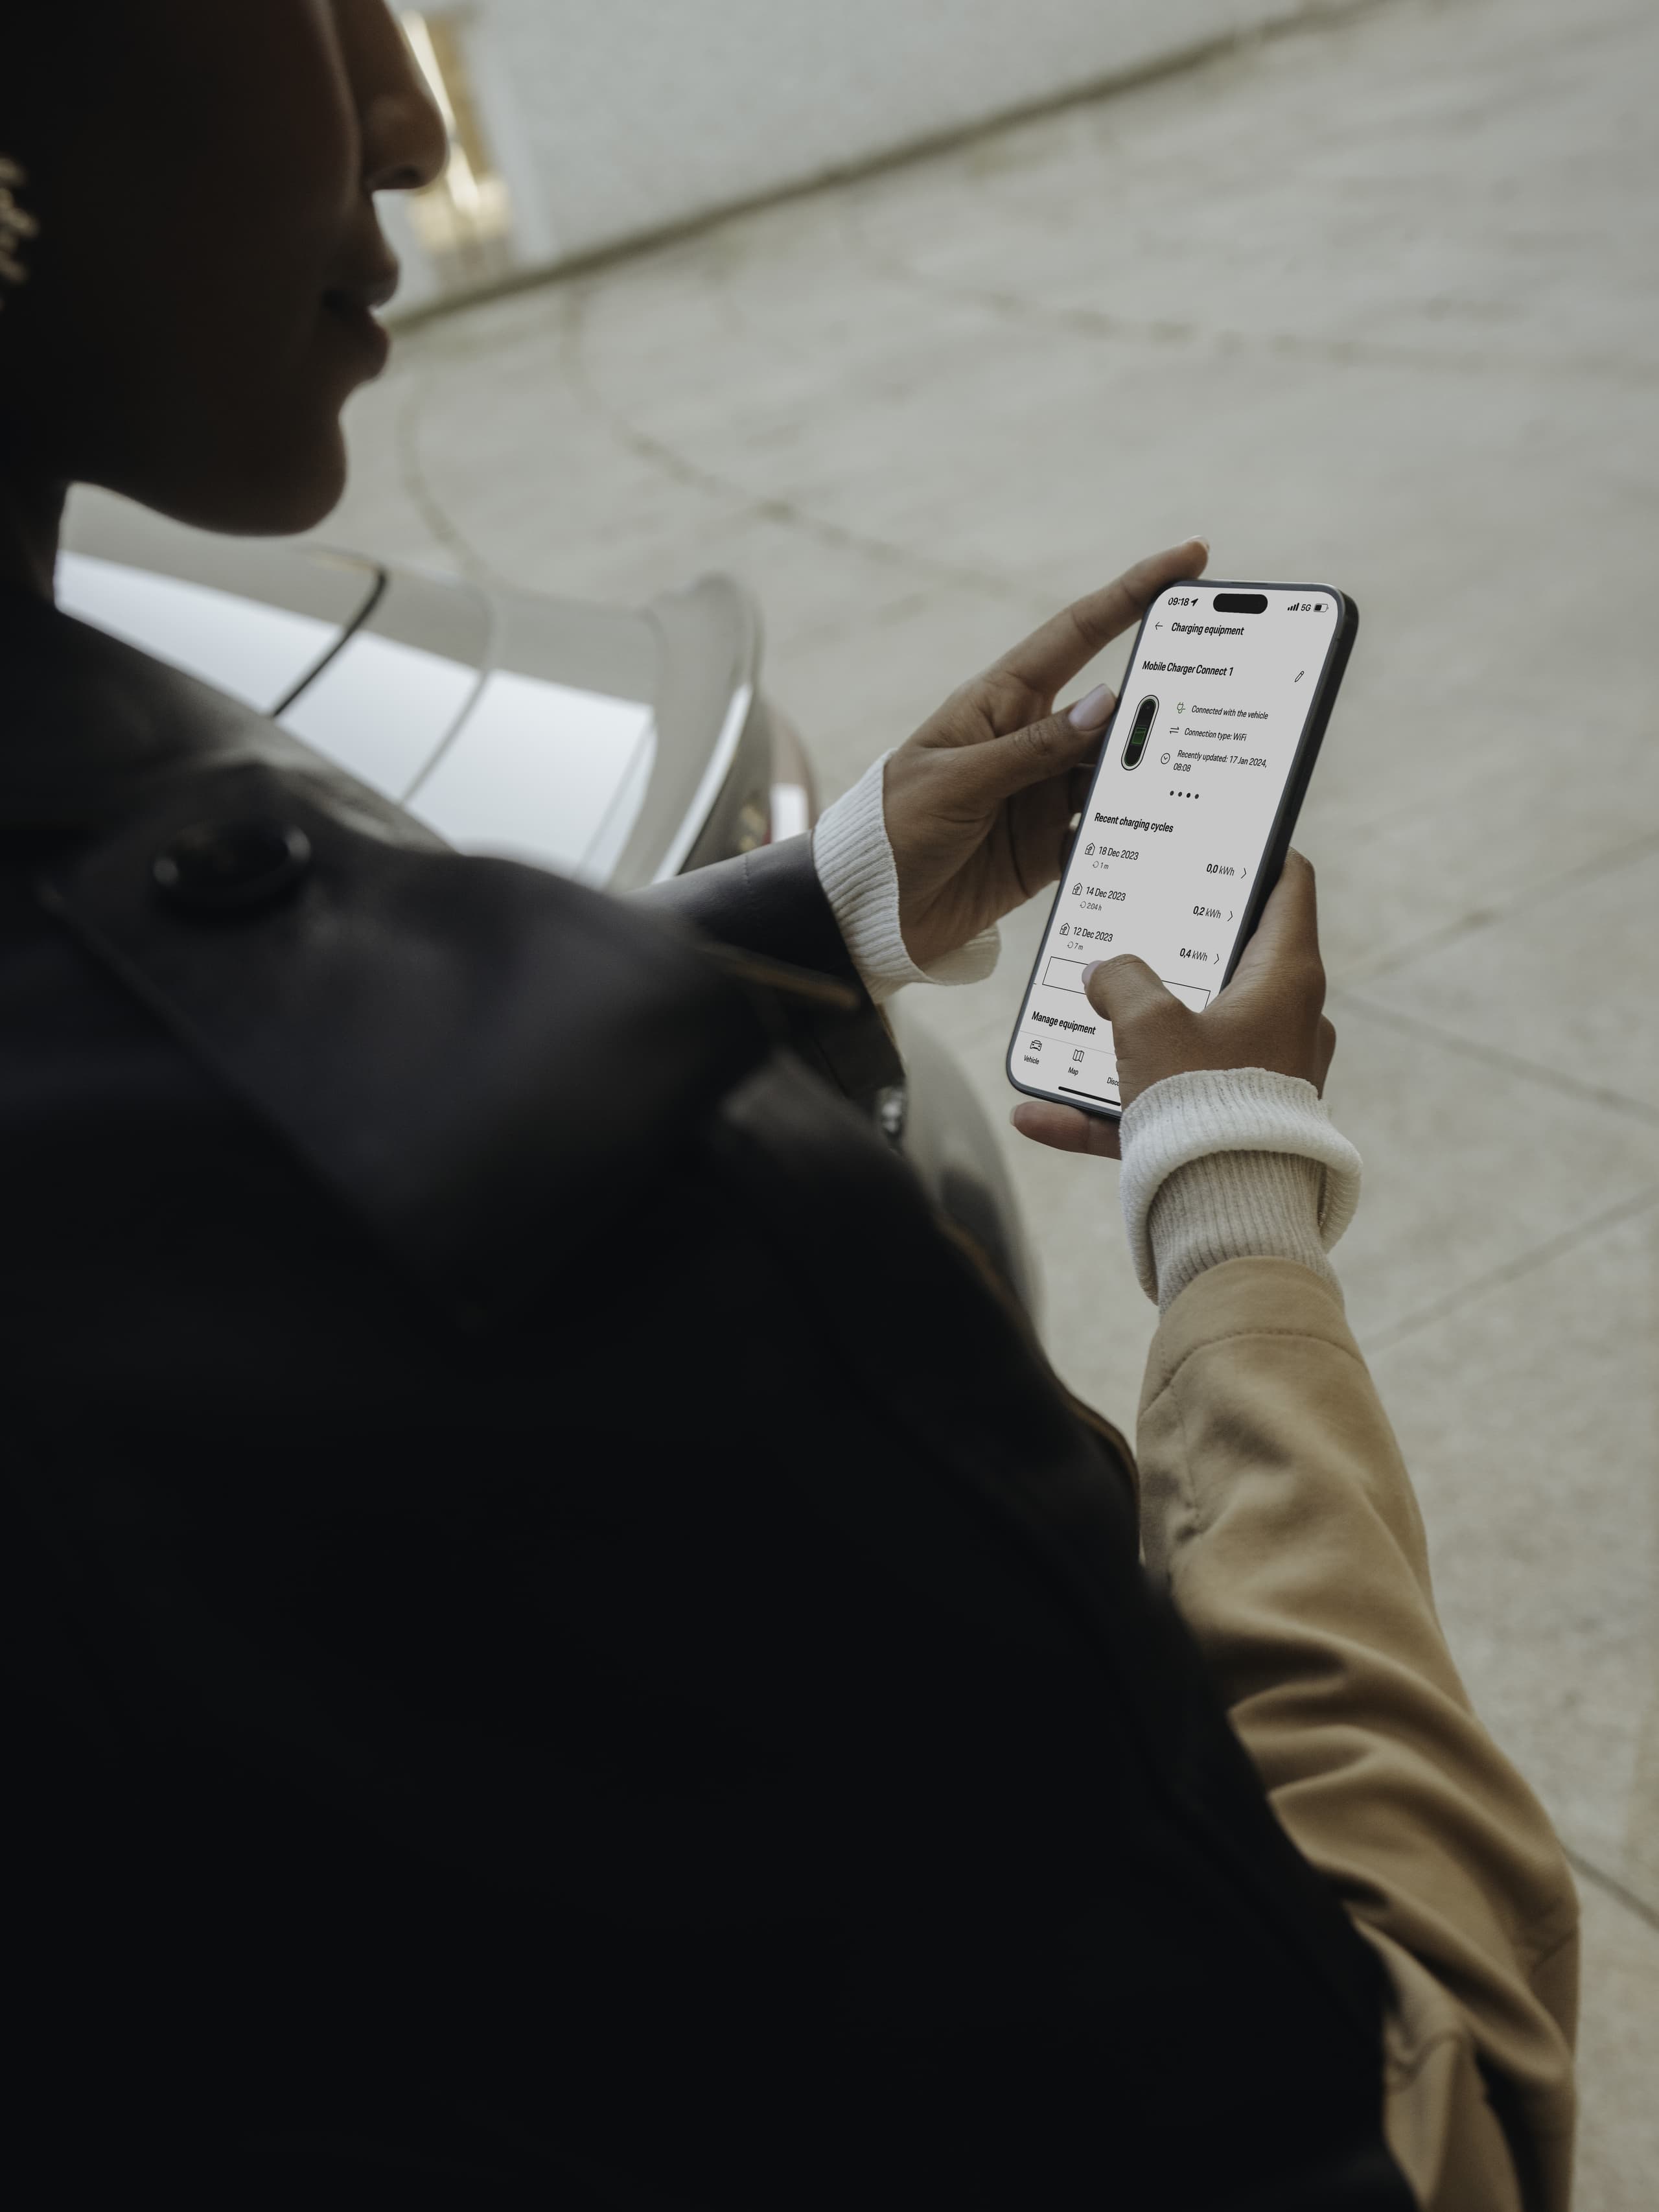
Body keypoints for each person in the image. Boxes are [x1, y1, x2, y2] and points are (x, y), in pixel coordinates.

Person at [0, 5, 1576, 2207]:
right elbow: (1417, 2122)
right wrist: (1234, 1197)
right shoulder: (556, 1228)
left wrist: (824, 916)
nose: (405, 113)